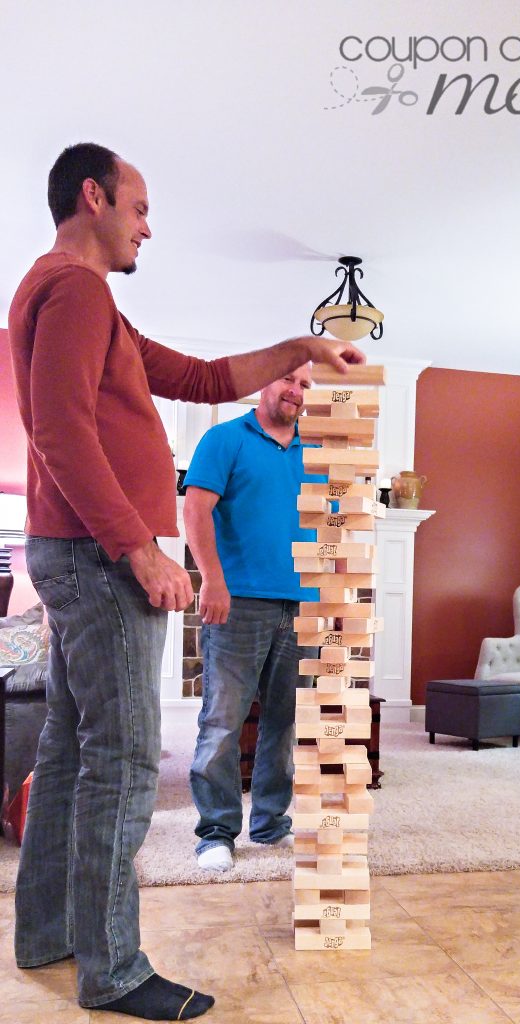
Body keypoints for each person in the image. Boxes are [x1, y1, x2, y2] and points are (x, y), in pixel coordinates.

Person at [7, 141, 364, 1021]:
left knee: (69, 749)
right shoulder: (74, 286)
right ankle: (114, 969)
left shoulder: (85, 304)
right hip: (96, 558)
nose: (147, 225)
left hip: (75, 550)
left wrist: (297, 346)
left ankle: (48, 933)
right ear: (93, 197)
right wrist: (140, 546)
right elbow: (54, 428)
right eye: (138, 207)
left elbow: (202, 377)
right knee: (124, 760)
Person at [183, 363, 321, 870]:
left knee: (285, 723)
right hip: (238, 601)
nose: (296, 390)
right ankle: (216, 833)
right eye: (288, 379)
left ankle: (270, 824)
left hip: (304, 603)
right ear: (264, 382)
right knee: (222, 720)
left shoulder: (320, 452)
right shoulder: (225, 439)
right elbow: (195, 510)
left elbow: (332, 524)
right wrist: (212, 581)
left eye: (306, 384)